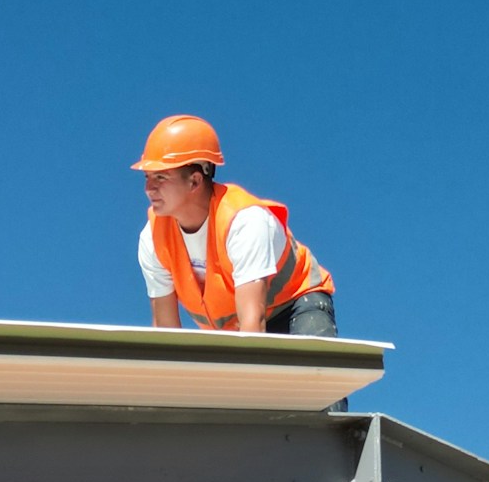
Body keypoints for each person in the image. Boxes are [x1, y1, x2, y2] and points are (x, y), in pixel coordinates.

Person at [133, 115, 337, 336]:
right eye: (147, 177)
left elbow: (252, 324)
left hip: (296, 305)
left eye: (160, 177)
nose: (148, 188)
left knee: (309, 359)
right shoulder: (153, 238)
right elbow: (166, 332)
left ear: (195, 181)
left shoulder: (245, 222)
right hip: (235, 326)